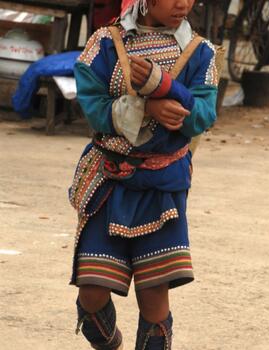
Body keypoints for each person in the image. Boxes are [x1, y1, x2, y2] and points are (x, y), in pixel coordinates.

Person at [69, 0, 218, 349]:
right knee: (91, 293)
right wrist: (147, 106)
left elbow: (202, 117)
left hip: (162, 189)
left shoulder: (201, 53)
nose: (184, 3)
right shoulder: (104, 43)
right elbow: (93, 108)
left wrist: (165, 85)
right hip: (108, 182)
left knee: (153, 299)